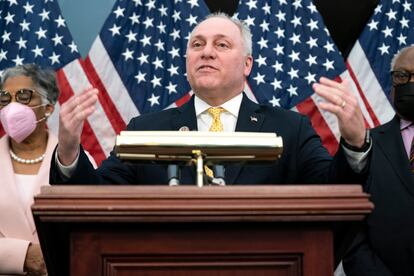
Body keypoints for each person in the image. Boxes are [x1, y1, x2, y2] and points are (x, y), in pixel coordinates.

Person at [50, 13, 369, 187]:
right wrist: (68, 150)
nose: (206, 51)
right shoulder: (145, 129)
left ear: (247, 65)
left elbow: (333, 192)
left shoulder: (290, 128)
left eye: (221, 44)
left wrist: (355, 143)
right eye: (198, 44)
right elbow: (96, 197)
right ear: (187, 60)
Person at [0, 64, 96, 275]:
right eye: (5, 99)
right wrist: (21, 255)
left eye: (24, 96)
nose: (12, 107)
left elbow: (93, 228)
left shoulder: (76, 162)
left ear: (48, 107)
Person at [343, 46, 414, 276]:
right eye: (403, 75)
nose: (410, 83)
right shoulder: (363, 145)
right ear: (392, 85)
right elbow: (351, 232)